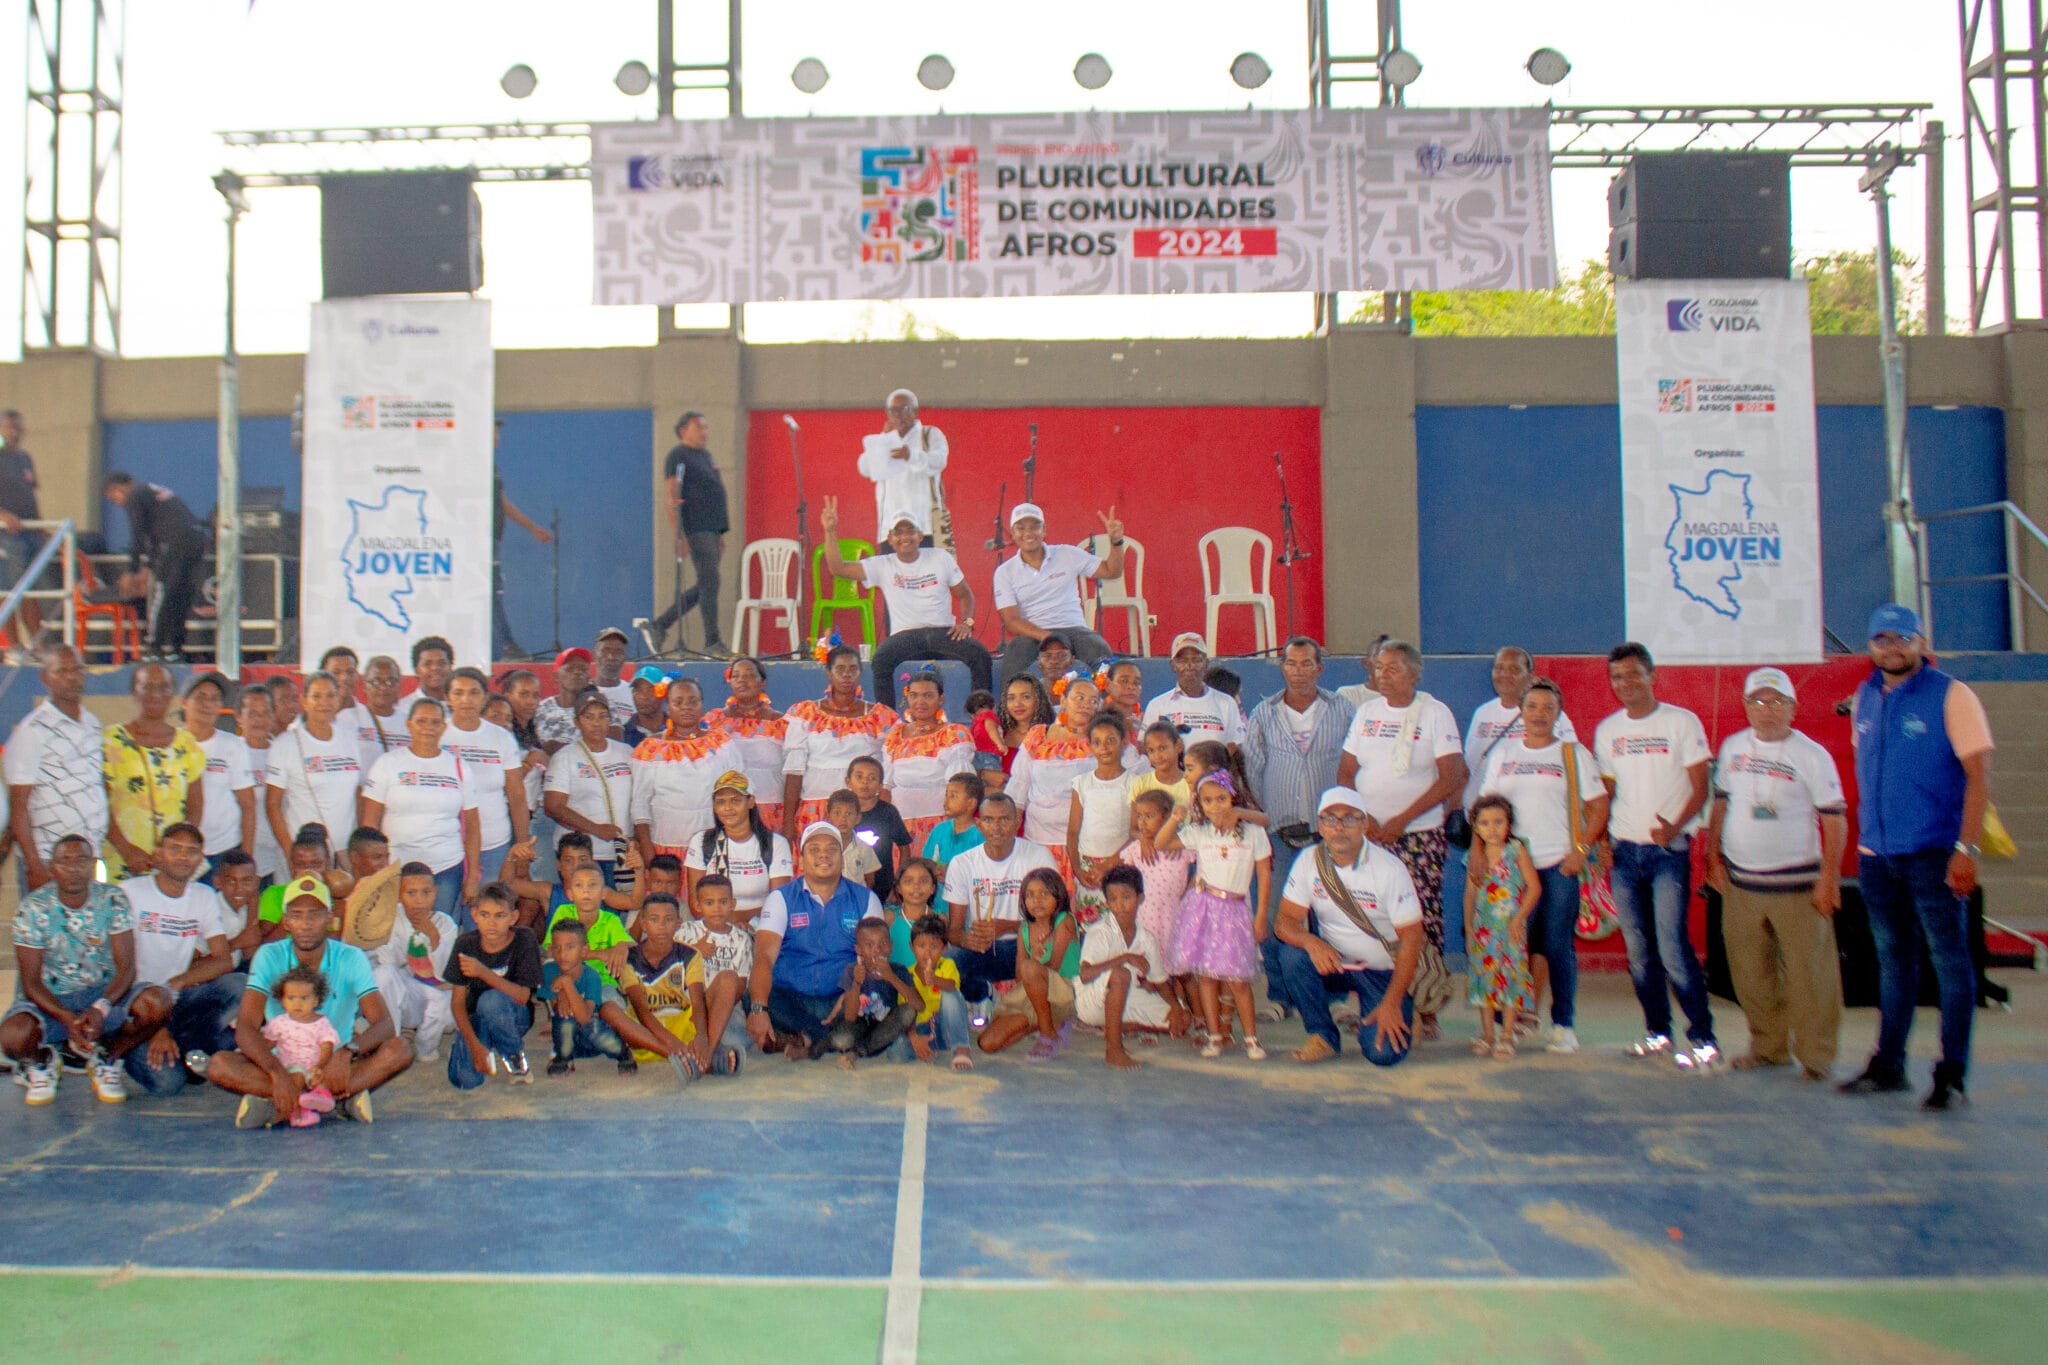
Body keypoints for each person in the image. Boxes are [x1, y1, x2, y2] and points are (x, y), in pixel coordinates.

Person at [1841, 604, 1995, 1111]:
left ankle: (1951, 1074)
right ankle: (1889, 1064)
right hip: (1877, 856)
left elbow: (1978, 778)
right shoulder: (1864, 696)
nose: (1892, 648)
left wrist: (1965, 849)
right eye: (1881, 639)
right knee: (1893, 962)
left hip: (1934, 854)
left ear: (1920, 642)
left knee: (1951, 965)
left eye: (1901, 638)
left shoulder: (1952, 695)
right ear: (1870, 646)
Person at [1702, 668, 1848, 1082]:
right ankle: (1769, 1048)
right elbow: (1721, 804)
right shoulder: (1732, 748)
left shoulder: (1812, 755)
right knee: (1752, 974)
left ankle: (1817, 1057)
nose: (1767, 710)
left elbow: (1834, 819)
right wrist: (1713, 857)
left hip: (1797, 884)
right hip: (1741, 884)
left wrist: (1829, 878)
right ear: (1746, 706)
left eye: (1777, 701)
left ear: (1793, 708)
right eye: (1759, 701)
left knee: (1810, 975)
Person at [1596, 641, 1720, 1070]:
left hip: (1669, 852)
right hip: (1625, 855)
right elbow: (1606, 792)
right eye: (1617, 677)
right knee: (1638, 952)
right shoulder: (1608, 731)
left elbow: (1701, 786)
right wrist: (1597, 840)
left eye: (1634, 674)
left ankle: (1702, 1037)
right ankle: (1657, 1033)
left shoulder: (1681, 723)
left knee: (1671, 947)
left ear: (1652, 676)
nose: (1626, 683)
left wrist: (1673, 826)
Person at [1333, 640, 1465, 1041]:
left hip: (1418, 837)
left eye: (1391, 668)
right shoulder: (1367, 713)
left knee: (1419, 920)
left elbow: (1451, 777)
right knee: (1368, 918)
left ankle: (1427, 1009)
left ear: (1414, 673)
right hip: (1368, 836)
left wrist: (1402, 820)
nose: (1382, 675)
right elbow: (1346, 771)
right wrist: (1366, 819)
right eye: (1378, 668)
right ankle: (1370, 1003)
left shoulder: (1436, 713)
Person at [209, 873, 413, 1127]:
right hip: (282, 1061)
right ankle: (331, 1100)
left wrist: (348, 1052)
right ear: (285, 922)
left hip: (333, 1062)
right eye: (296, 915)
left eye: (315, 915)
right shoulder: (269, 955)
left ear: (329, 919)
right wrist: (277, 1073)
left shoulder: (351, 956)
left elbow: (384, 1023)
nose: (305, 924)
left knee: (400, 1049)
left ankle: (280, 1103)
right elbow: (246, 1027)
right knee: (219, 1065)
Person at [1477, 678, 1607, 1055]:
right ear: (1521, 711)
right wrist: (1482, 856)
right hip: (1510, 871)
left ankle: (1563, 1024)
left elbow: (1598, 806)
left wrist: (1581, 849)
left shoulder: (1572, 754)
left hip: (1557, 867)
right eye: (1532, 707)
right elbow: (1486, 808)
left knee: (1556, 946)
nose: (1539, 714)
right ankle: (1508, 1024)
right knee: (1510, 947)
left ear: (1558, 714)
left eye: (1548, 708)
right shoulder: (1504, 753)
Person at [2, 834, 168, 1105]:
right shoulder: (32, 908)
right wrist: (67, 1017)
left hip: (103, 994)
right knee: (12, 1035)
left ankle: (107, 1057)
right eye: (65, 861)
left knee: (157, 1001)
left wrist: (100, 1008)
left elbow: (127, 968)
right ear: (52, 867)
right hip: (53, 1000)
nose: (74, 868)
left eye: (81, 860)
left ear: (93, 865)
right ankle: (42, 1062)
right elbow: (31, 983)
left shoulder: (113, 899)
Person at [1243, 637, 1358, 1012]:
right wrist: (1264, 818)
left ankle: (1336, 996)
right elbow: (1253, 769)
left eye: (1307, 664)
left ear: (1320, 668)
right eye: (1291, 663)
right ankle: (1280, 995)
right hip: (1279, 834)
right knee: (1278, 916)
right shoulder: (1264, 712)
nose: (1299, 671)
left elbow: (1352, 764)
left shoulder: (1341, 709)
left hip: (1330, 835)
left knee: (1333, 916)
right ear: (1282, 668)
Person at [1272, 789, 1425, 1067]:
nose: (1339, 827)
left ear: (1365, 824)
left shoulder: (1389, 869)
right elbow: (1284, 922)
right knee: (1292, 957)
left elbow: (1412, 939)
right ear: (1320, 826)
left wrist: (1391, 1002)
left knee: (1382, 1054)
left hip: (1381, 972)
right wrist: (1311, 941)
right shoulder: (1308, 860)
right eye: (1330, 819)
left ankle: (1402, 1004)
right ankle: (1323, 1036)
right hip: (1335, 964)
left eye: (1350, 819)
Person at [822, 498, 991, 710]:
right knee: (881, 659)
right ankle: (888, 722)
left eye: (910, 531)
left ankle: (982, 717)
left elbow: (965, 594)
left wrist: (967, 622)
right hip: (905, 636)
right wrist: (830, 531)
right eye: (898, 533)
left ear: (920, 536)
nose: (905, 537)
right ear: (890, 539)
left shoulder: (940, 557)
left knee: (981, 655)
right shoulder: (883, 564)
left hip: (943, 633)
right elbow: (838, 568)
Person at [118, 822, 244, 1097]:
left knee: (240, 985)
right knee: (168, 1084)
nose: (183, 857)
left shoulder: (203, 895)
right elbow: (115, 965)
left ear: (201, 858)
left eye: (192, 851)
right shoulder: (129, 892)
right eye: (175, 848)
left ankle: (183, 1044)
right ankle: (121, 1051)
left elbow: (224, 960)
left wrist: (180, 980)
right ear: (159, 853)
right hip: (135, 1004)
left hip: (175, 998)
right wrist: (156, 1026)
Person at [749, 821, 887, 1059]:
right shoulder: (780, 898)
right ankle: (829, 1040)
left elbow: (877, 961)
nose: (823, 855)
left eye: (831, 849)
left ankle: (803, 1039)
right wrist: (759, 1009)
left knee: (876, 995)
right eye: (814, 849)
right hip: (790, 999)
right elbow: (764, 957)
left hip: (840, 998)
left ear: (842, 858)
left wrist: (854, 992)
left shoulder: (866, 899)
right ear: (801, 859)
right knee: (751, 995)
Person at [1160, 772, 1271, 1060]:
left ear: (1232, 797)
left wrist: (1260, 917)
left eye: (1221, 798)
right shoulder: (1200, 832)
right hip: (1203, 909)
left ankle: (1251, 1038)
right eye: (1208, 801)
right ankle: (1215, 1035)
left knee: (1237, 980)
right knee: (1207, 977)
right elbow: (1162, 843)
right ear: (1201, 804)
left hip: (1235, 911)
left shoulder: (1252, 832)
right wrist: (1176, 817)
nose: (1216, 806)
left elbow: (1263, 873)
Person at [362, 698, 482, 923]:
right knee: (394, 934)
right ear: (409, 724)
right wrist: (373, 871)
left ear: (444, 727)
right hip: (396, 867)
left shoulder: (459, 767)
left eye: (435, 722)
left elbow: (473, 827)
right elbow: (370, 822)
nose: (428, 727)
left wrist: (472, 877)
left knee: (439, 935)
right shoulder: (387, 763)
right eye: (421, 721)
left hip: (445, 869)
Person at [941, 793, 1058, 1011]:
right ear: (979, 824)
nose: (997, 827)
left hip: (1030, 943)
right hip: (986, 946)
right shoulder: (962, 863)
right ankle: (984, 996)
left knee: (1055, 947)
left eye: (1004, 819)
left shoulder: (1038, 855)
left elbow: (1057, 919)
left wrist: (1006, 926)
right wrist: (968, 941)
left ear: (1017, 822)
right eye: (989, 820)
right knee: (950, 961)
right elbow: (954, 931)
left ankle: (1037, 1008)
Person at [7, 643, 107, 894]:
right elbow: (18, 805)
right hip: (48, 862)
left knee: (88, 933)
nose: (72, 677)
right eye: (61, 671)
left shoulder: (93, 724)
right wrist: (34, 866)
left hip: (88, 861)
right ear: (45, 678)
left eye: (77, 669)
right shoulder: (32, 731)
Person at [991, 502, 1128, 683]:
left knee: (1100, 653)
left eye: (1034, 527)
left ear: (1044, 529)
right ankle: (1006, 709)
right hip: (1033, 634)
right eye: (1021, 528)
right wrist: (1047, 636)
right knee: (1014, 655)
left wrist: (1116, 542)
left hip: (1073, 628)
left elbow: (1112, 571)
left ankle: (1105, 709)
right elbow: (1012, 621)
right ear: (1012, 533)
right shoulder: (1005, 571)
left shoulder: (1067, 554)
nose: (1028, 533)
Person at [1008, 672, 1119, 881]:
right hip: (1040, 842)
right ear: (1063, 701)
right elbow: (1018, 789)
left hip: (1089, 844)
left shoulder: (1104, 740)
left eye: (1093, 701)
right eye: (1079, 698)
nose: (1086, 704)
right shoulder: (1038, 736)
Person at [637, 410, 731, 656]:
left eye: (706, 427)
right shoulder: (678, 456)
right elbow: (672, 496)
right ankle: (712, 641)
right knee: (710, 582)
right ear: (683, 430)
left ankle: (659, 625)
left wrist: (720, 532)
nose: (704, 432)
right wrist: (678, 533)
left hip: (711, 529)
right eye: (698, 427)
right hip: (696, 528)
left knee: (708, 584)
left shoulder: (706, 456)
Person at [781, 644, 898, 841]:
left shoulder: (880, 717)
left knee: (862, 868)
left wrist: (882, 810)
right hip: (815, 807)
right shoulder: (806, 714)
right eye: (840, 669)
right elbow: (794, 773)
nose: (846, 675)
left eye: (853, 669)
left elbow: (892, 767)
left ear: (860, 673)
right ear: (829, 673)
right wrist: (788, 822)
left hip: (862, 811)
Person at [102, 661, 206, 879]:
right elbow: (101, 805)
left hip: (172, 864)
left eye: (163, 687)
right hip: (124, 860)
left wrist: (178, 849)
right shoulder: (111, 741)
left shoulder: (186, 744)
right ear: (134, 693)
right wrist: (126, 850)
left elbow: (195, 806)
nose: (155, 694)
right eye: (147, 687)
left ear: (172, 694)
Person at [1078, 864, 1186, 1068]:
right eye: (1113, 899)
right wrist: (1124, 957)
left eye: (1126, 897)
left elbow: (1160, 981)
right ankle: (1113, 1049)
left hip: (1126, 999)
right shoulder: (1099, 931)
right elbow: (1085, 975)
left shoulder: (1146, 938)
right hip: (1093, 1001)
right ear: (1107, 902)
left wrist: (1176, 1007)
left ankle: (1117, 1026)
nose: (1119, 905)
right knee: (1121, 974)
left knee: (1181, 1019)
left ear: (1140, 899)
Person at [444, 881, 545, 1087]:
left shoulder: (524, 939)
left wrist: (482, 972)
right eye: (484, 915)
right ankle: (480, 1043)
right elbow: (457, 1003)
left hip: (514, 1017)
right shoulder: (465, 943)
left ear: (513, 918)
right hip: (477, 1018)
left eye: (499, 916)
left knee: (491, 1000)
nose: (491, 923)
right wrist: (474, 1045)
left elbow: (523, 996)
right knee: (465, 1080)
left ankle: (514, 1057)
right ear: (474, 915)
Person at [1460, 647, 1579, 819]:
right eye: (1499, 668)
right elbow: (1468, 765)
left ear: (1530, 675)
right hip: (1485, 821)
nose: (1504, 675)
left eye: (1514, 669)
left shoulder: (1550, 716)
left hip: (1531, 818)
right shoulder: (1482, 713)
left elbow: (1571, 764)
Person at [443, 666, 536, 886]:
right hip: (445, 845)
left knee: (488, 914)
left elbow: (516, 797)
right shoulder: (437, 734)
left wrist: (522, 844)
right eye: (458, 693)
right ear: (447, 698)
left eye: (474, 692)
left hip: (494, 845)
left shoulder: (501, 738)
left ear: (484, 697)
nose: (466, 699)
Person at [974, 867, 1081, 1059]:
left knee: (1030, 968)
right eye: (1030, 895)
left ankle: (1048, 1034)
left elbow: (1054, 966)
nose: (1037, 900)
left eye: (1044, 894)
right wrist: (1034, 963)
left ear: (1058, 896)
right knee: (987, 1043)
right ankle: (1048, 1022)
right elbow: (1019, 974)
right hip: (1033, 995)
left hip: (1063, 991)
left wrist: (1036, 962)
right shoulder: (1024, 928)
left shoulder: (1064, 921)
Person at [1464, 795, 1539, 1061]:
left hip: (1511, 931)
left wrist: (1518, 919)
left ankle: (1506, 1035)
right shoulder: (1475, 857)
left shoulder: (1516, 850)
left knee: (1510, 981)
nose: (1492, 828)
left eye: (1498, 822)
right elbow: (1470, 895)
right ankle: (1487, 1033)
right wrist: (1469, 928)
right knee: (1485, 981)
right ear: (1475, 827)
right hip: (1484, 932)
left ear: (1509, 824)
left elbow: (1534, 887)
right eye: (1484, 823)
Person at [631, 676, 740, 860]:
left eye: (693, 701)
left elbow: (739, 792)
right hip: (664, 848)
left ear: (702, 704)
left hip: (713, 846)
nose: (686, 707)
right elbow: (640, 804)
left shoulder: (721, 743)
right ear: (668, 706)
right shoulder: (650, 748)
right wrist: (648, 850)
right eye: (678, 702)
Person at [620, 894, 726, 1080]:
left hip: (683, 1030)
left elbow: (698, 1001)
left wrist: (701, 1036)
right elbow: (642, 1012)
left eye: (668, 920)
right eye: (654, 919)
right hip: (648, 1038)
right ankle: (695, 1060)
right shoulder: (629, 959)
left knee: (727, 978)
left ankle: (703, 1056)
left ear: (678, 923)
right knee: (611, 1011)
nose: (662, 925)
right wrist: (673, 1045)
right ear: (643, 924)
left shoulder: (689, 954)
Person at [103, 472, 206, 662]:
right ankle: (176, 648)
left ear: (118, 489)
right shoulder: (150, 490)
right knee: (180, 595)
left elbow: (138, 534)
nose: (117, 503)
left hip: (174, 542)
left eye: (113, 498)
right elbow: (152, 534)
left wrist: (131, 570)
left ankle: (153, 647)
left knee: (161, 593)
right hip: (196, 540)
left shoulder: (134, 495)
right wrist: (148, 564)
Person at [265, 672, 364, 863]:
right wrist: (291, 853)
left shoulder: (351, 739)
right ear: (304, 701)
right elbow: (272, 805)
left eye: (330, 695)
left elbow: (358, 793)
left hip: (344, 855)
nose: (324, 703)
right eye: (316, 696)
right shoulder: (285, 744)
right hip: (305, 855)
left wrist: (356, 849)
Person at [368, 862, 457, 1064]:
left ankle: (425, 1047)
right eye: (411, 893)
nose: (419, 901)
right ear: (399, 895)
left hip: (435, 992)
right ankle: (393, 1040)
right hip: (405, 994)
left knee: (446, 1009)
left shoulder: (445, 923)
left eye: (426, 893)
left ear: (435, 893)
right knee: (383, 974)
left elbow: (445, 974)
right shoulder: (391, 919)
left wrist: (433, 936)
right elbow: (388, 964)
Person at [545, 690, 637, 885]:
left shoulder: (626, 752)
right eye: (589, 717)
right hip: (583, 854)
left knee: (618, 909)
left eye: (603, 717)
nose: (596, 723)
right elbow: (553, 807)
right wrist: (595, 829)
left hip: (622, 852)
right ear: (577, 722)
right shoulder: (565, 757)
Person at [881, 670, 976, 857]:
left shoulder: (953, 735)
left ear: (941, 699)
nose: (920, 702)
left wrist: (952, 829)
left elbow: (961, 788)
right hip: (901, 828)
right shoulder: (895, 735)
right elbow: (886, 787)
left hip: (940, 826)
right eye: (914, 695)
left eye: (928, 695)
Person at [685, 771, 794, 924]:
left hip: (762, 927)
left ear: (750, 802)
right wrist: (731, 923)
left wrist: (741, 921)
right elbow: (696, 907)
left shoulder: (775, 844)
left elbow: (780, 903)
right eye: (721, 802)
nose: (728, 808)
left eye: (735, 801)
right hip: (715, 929)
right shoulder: (702, 842)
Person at [489, 418, 556, 659]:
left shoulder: (493, 467)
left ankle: (506, 645)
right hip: (480, 542)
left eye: (497, 432)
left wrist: (532, 527)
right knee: (491, 591)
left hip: (495, 538)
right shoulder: (471, 463)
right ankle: (507, 645)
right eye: (493, 431)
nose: (497, 436)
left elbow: (503, 502)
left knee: (494, 591)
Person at [181, 674, 254, 883]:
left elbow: (248, 806)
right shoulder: (171, 744)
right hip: (180, 853)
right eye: (200, 697)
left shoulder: (233, 746)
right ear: (184, 702)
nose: (207, 704)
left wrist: (246, 858)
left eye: (214, 698)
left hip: (223, 851)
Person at [820, 919, 920, 1069]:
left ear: (891, 946)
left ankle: (857, 1052)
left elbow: (919, 1005)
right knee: (841, 1040)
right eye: (869, 945)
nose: (878, 950)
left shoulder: (898, 970)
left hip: (884, 1025)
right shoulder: (852, 970)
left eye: (883, 943)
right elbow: (850, 1017)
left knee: (908, 1012)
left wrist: (891, 977)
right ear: (859, 949)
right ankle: (814, 1048)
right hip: (858, 1024)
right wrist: (856, 984)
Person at [540, 918, 635, 1076]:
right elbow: (559, 1008)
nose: (562, 954)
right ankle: (564, 1058)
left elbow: (584, 1017)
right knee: (564, 1017)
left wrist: (566, 984)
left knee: (593, 1027)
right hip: (565, 1038)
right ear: (550, 949)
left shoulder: (592, 976)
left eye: (570, 947)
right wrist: (563, 992)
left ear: (584, 951)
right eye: (557, 947)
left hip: (593, 1039)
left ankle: (623, 1054)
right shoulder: (549, 971)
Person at [857, 388, 949, 545]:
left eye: (904, 409)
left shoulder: (930, 434)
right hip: (891, 528)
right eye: (894, 410)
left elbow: (939, 461)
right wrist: (882, 441)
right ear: (888, 414)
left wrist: (911, 456)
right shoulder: (884, 439)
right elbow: (864, 468)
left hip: (925, 526)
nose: (899, 415)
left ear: (915, 411)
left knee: (930, 569)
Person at [703, 657, 787, 829]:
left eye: (749, 675)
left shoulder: (780, 722)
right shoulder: (714, 721)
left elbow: (793, 771)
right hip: (729, 812)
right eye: (736, 676)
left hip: (771, 809)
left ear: (762, 683)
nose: (741, 680)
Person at [678, 874, 755, 1060]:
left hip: (724, 1008)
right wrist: (695, 950)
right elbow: (671, 972)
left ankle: (705, 1055)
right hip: (691, 1005)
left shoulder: (741, 939)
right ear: (698, 906)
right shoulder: (687, 932)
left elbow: (741, 986)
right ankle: (709, 1055)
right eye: (709, 903)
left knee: (729, 978)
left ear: (732, 904)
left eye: (723, 902)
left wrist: (720, 1001)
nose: (717, 909)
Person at [1068, 713, 1137, 919]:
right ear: (1089, 745)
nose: (1104, 747)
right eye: (1097, 742)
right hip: (1088, 869)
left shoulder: (1133, 783)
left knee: (1119, 923)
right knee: (1090, 928)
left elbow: (1135, 834)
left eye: (1111, 740)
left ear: (1124, 742)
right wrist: (1078, 869)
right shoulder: (1081, 783)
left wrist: (1109, 864)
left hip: (1120, 862)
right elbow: (1072, 831)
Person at [259, 966, 343, 1125]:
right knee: (297, 1076)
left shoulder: (321, 1023)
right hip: (289, 1068)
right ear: (282, 1000)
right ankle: (300, 1111)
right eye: (291, 998)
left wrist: (319, 1066)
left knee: (322, 1077)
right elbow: (267, 1044)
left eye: (304, 998)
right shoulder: (280, 1023)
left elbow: (327, 1047)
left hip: (314, 1067)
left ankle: (321, 1096)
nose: (297, 1003)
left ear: (316, 1000)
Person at [1143, 634, 1246, 750]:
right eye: (1182, 660)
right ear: (1173, 665)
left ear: (1206, 664)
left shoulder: (1226, 703)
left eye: (1196, 660)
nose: (1189, 666)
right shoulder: (1157, 705)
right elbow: (1146, 748)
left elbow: (1235, 748)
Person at [902, 913, 972, 1070]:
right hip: (922, 1028)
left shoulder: (947, 965)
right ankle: (927, 1046)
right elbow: (904, 1011)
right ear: (911, 946)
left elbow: (951, 986)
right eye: (921, 946)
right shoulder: (907, 975)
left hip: (944, 1025)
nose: (927, 953)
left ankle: (961, 1047)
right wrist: (914, 1037)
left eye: (934, 947)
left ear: (944, 948)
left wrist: (934, 980)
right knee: (898, 1052)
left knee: (950, 994)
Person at [0, 408, 46, 646]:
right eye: (9, 427)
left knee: (32, 593)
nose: (14, 432)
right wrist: (2, 515)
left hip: (31, 535)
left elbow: (31, 495)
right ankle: (15, 647)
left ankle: (38, 646)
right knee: (9, 591)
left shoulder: (24, 458)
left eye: (18, 427)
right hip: (6, 538)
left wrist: (43, 529)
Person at [234, 686, 288, 885]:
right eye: (252, 713)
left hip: (281, 856)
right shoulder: (232, 753)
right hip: (244, 854)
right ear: (239, 716)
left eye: (266, 713)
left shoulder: (284, 750)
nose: (259, 720)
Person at [971, 674, 1052, 796]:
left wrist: (1007, 791)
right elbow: (967, 771)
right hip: (992, 806)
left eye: (1025, 697)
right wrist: (983, 774)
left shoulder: (1051, 735)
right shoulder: (995, 732)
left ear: (1039, 700)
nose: (1017, 704)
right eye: (1011, 698)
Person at [920, 772, 985, 874]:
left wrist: (951, 873)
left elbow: (981, 871)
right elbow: (926, 863)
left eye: (953, 796)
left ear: (971, 803)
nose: (946, 801)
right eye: (946, 795)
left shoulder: (981, 835)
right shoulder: (939, 830)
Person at [355, 655, 410, 772]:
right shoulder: (351, 719)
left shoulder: (410, 724)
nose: (384, 687)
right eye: (376, 681)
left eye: (390, 681)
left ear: (399, 685)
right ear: (365, 685)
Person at [591, 626, 636, 726]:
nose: (611, 657)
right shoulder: (583, 691)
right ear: (594, 655)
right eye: (605, 650)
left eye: (618, 651)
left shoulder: (633, 693)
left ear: (624, 657)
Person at [623, 664, 672, 749]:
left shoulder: (678, 729)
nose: (643, 696)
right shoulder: (624, 734)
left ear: (664, 694)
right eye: (638, 690)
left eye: (650, 690)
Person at [410, 636, 455, 711]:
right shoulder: (405, 709)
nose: (435, 668)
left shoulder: (461, 708)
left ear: (451, 667)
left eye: (441, 663)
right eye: (427, 664)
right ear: (417, 671)